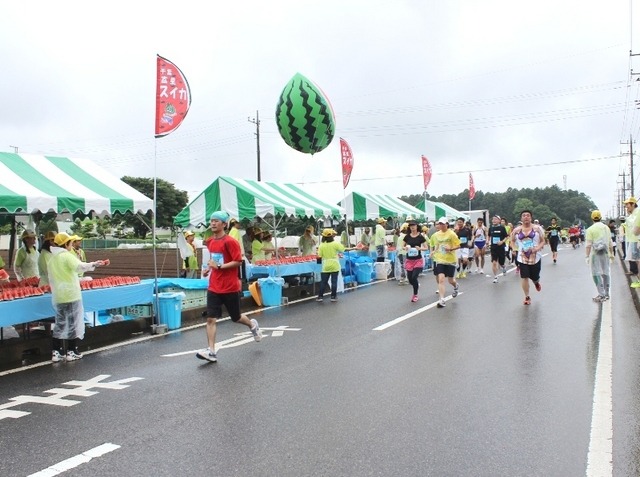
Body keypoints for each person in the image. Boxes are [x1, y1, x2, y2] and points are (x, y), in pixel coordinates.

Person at [197, 211, 262, 363]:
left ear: (224, 224)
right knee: (211, 319)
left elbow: (238, 261)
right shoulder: (211, 242)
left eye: (216, 221)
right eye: (211, 221)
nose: (213, 223)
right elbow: (215, 260)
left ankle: (252, 325)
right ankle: (211, 351)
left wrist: (219, 266)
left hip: (230, 286)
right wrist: (209, 268)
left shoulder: (230, 242)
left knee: (236, 317)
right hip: (214, 286)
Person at [49, 232, 109, 362]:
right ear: (66, 244)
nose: (71, 244)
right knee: (73, 323)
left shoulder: (52, 259)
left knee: (60, 323)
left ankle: (56, 351)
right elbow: (80, 266)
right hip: (71, 294)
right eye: (70, 242)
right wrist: (96, 263)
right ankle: (71, 351)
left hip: (59, 295)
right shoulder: (66, 256)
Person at [510, 210, 545, 305]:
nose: (526, 217)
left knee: (535, 277)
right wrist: (514, 249)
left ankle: (536, 282)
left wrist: (537, 248)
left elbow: (542, 241)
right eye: (524, 215)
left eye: (528, 215)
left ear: (531, 218)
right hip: (522, 257)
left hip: (535, 257)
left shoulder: (538, 229)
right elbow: (512, 241)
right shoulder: (516, 230)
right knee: (524, 276)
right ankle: (527, 297)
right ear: (521, 218)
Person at [429, 217, 461, 308]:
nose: (441, 225)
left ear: (447, 224)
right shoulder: (435, 235)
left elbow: (458, 245)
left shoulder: (452, 234)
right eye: (440, 224)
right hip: (440, 259)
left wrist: (450, 249)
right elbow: (434, 245)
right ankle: (442, 299)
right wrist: (432, 252)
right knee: (441, 279)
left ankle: (456, 286)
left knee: (450, 280)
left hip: (450, 260)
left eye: (443, 224)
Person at [585, 210, 614, 302]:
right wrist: (612, 254)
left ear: (592, 218)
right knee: (605, 272)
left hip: (595, 254)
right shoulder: (606, 228)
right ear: (601, 218)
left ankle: (601, 294)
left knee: (596, 273)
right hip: (605, 253)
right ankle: (606, 294)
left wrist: (587, 256)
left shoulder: (590, 229)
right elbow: (610, 242)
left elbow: (588, 245)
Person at [316, 228, 348, 302]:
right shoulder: (335, 244)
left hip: (326, 265)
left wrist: (319, 264)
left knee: (323, 282)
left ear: (323, 237)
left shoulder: (321, 245)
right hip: (334, 264)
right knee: (334, 281)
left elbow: (319, 256)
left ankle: (320, 297)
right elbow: (343, 249)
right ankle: (333, 296)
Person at [403, 220, 428, 302]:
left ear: (417, 226)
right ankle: (416, 284)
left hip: (418, 260)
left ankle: (415, 294)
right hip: (409, 260)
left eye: (413, 225)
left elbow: (426, 247)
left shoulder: (420, 237)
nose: (412, 227)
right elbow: (402, 246)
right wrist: (406, 247)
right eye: (410, 226)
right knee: (410, 279)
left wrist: (420, 248)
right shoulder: (407, 237)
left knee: (414, 276)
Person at [623, 197, 640, 287]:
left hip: (636, 240)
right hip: (633, 240)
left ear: (633, 204)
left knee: (638, 261)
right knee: (637, 261)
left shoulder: (637, 213)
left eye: (627, 204)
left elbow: (636, 228)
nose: (626, 206)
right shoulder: (633, 213)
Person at [488, 215, 508, 283]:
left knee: (501, 262)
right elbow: (489, 235)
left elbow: (506, 237)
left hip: (501, 247)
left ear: (499, 221)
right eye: (493, 219)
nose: (494, 220)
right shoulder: (491, 228)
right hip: (493, 247)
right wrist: (487, 242)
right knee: (494, 262)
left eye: (495, 219)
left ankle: (504, 267)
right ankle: (496, 277)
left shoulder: (502, 228)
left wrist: (502, 241)